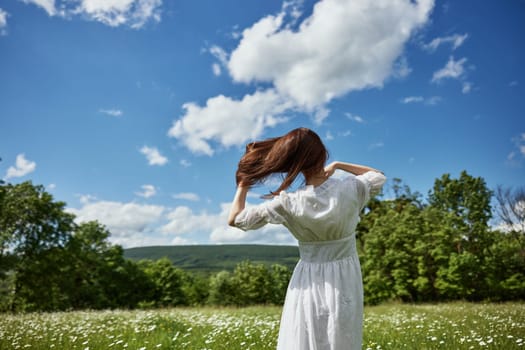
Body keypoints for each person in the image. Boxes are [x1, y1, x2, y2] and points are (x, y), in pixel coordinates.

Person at [228, 127, 386, 350]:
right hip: (346, 276)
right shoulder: (352, 189)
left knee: (304, 337)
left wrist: (244, 182)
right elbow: (378, 175)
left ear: (294, 164)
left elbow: (236, 219)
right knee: (342, 336)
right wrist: (338, 165)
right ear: (322, 154)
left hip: (308, 277)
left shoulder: (287, 203)